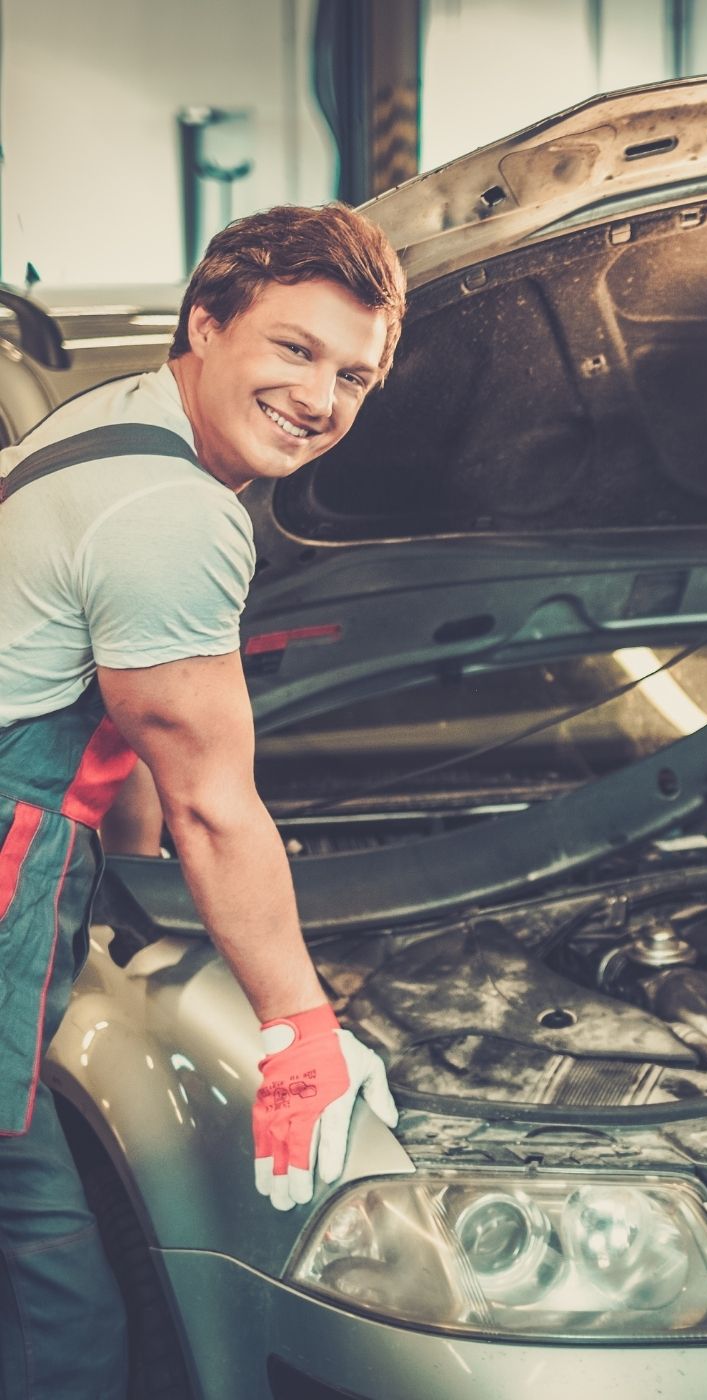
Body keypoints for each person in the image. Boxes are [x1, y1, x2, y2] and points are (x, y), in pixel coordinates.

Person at [0, 203, 406, 1398]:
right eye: (292, 348)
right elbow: (212, 803)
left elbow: (116, 725)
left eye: (355, 375)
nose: (321, 398)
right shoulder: (172, 512)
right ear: (206, 320)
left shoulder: (110, 417)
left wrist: (134, 887)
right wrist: (300, 1026)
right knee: (40, 1241)